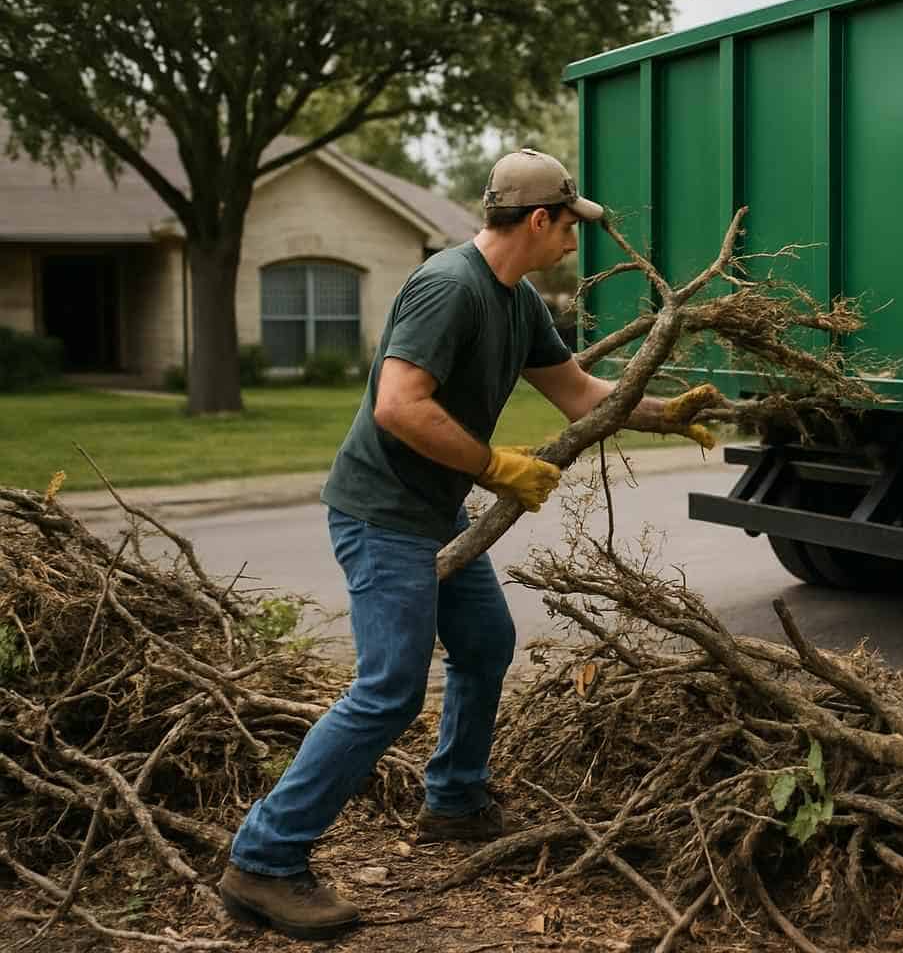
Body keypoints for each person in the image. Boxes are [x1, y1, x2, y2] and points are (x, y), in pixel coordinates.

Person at [217, 149, 713, 940]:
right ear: (540, 219)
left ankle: (453, 800)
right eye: (568, 229)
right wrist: (495, 465)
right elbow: (398, 407)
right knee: (388, 688)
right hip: (382, 513)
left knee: (485, 643)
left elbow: (580, 393)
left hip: (433, 510)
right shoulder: (450, 288)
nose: (572, 246)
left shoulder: (517, 304)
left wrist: (664, 412)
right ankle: (265, 860)